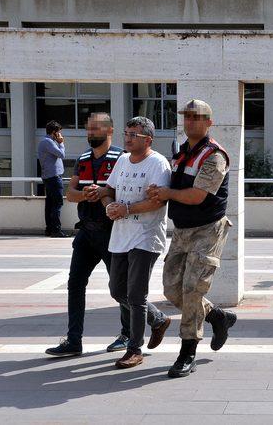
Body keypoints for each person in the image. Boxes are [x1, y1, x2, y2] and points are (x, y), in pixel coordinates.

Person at [45, 113, 171, 358]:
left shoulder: (129, 159)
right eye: (88, 128)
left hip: (120, 231)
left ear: (108, 130)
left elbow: (155, 200)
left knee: (132, 291)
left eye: (96, 128)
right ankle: (74, 339)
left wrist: (119, 207)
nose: (90, 132)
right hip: (92, 230)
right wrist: (93, 197)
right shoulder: (88, 159)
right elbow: (75, 192)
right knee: (96, 286)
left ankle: (130, 341)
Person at [147, 99, 237, 378]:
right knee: (172, 289)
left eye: (197, 118)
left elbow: (197, 196)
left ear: (209, 122)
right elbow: (173, 186)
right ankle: (217, 317)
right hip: (183, 230)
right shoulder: (181, 152)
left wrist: (166, 194)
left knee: (192, 289)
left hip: (208, 229)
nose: (190, 122)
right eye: (187, 117)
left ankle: (188, 352)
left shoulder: (215, 156)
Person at [103, 116, 172, 369]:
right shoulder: (122, 160)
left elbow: (158, 201)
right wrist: (109, 205)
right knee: (117, 290)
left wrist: (127, 208)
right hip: (120, 235)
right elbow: (109, 191)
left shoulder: (158, 164)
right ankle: (158, 319)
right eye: (127, 133)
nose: (128, 138)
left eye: (134, 135)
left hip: (146, 236)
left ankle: (134, 349)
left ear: (148, 140)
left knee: (136, 294)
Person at [38, 120, 68, 237]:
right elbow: (62, 154)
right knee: (57, 203)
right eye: (59, 132)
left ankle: (50, 229)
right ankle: (55, 230)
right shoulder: (48, 142)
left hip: (49, 177)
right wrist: (61, 143)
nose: (60, 135)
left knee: (50, 203)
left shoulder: (47, 142)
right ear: (54, 132)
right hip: (53, 177)